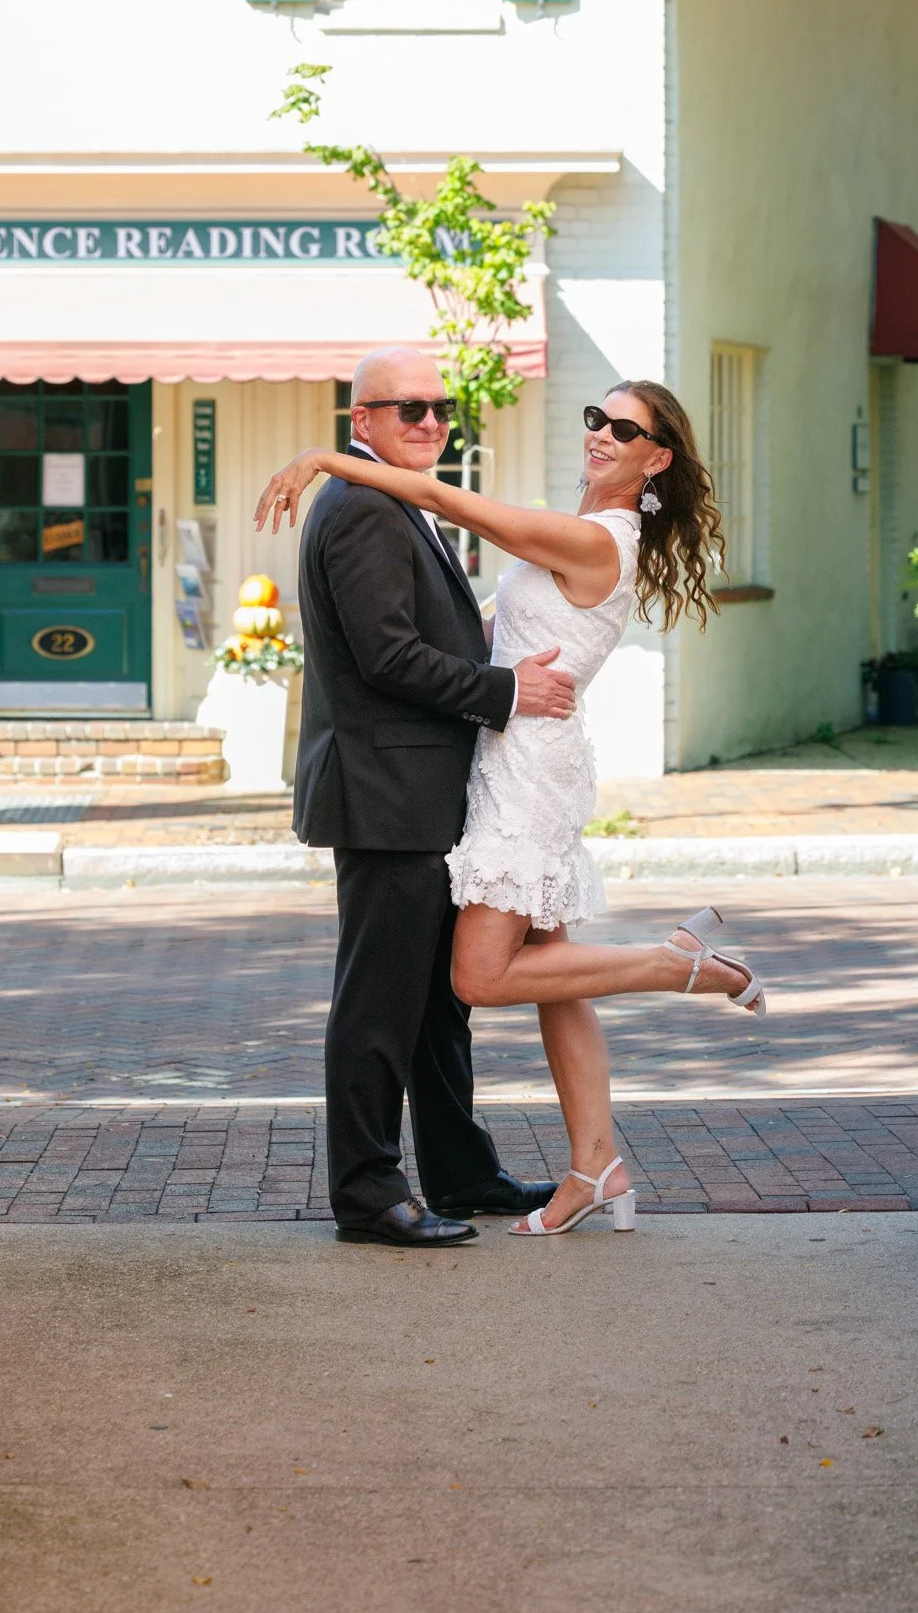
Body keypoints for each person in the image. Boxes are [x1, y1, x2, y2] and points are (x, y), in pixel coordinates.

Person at [257, 371, 766, 1242]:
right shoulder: (397, 512)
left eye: (626, 430)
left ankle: (671, 964)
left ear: (656, 460)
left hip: (520, 767)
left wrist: (321, 458)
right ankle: (577, 1166)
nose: (601, 433)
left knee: (471, 982)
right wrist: (499, 677)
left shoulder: (591, 537)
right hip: (461, 770)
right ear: (364, 416)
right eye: (597, 418)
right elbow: (425, 646)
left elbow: (444, 501)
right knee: (494, 984)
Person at [285, 346, 573, 1248]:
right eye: (409, 408)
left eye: (442, 408)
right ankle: (368, 1193)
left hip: (420, 791)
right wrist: (508, 690)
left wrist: (492, 638)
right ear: (361, 421)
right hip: (385, 794)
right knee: (377, 1004)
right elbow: (387, 657)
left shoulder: (393, 500)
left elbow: (417, 632)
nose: (432, 422)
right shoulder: (363, 506)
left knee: (437, 1003)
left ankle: (460, 1171)